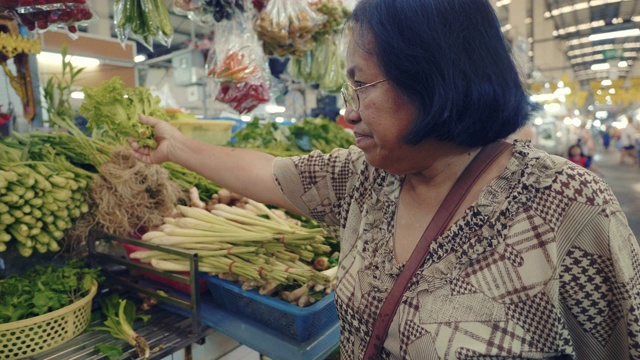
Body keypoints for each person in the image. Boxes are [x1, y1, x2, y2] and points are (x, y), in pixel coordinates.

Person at [130, 0, 640, 358]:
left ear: (434, 79)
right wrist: (177, 147)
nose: (348, 113)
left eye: (360, 85)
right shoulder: (367, 178)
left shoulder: (570, 208)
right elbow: (270, 173)